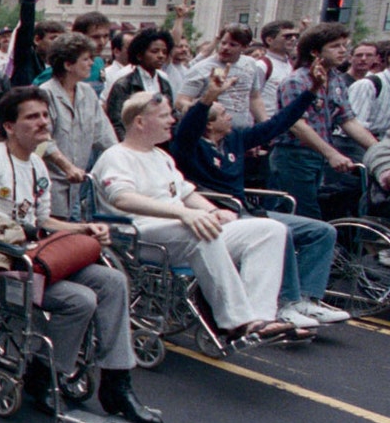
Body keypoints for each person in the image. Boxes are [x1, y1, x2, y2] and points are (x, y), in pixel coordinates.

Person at [0, 88, 161, 423]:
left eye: (45, 115)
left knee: (112, 280)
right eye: (32, 117)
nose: (43, 122)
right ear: (9, 126)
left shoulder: (37, 165)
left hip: (31, 256)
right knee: (79, 300)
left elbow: (41, 223)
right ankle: (44, 372)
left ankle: (117, 383)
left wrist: (83, 229)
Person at [94, 93, 291, 341]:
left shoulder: (162, 156)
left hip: (184, 230)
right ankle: (237, 322)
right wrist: (184, 214)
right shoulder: (116, 156)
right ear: (140, 122)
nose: (172, 120)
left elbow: (186, 193)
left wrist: (213, 211)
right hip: (140, 235)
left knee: (270, 230)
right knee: (200, 230)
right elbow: (121, 198)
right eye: (164, 116)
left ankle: (260, 317)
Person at [170, 59, 348, 331]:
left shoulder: (235, 139)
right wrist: (207, 99)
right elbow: (188, 129)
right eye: (223, 113)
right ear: (208, 125)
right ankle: (285, 304)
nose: (231, 115)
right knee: (279, 230)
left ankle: (306, 299)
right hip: (219, 214)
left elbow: (277, 124)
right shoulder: (188, 146)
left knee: (322, 232)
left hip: (248, 210)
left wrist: (311, 92)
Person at [268, 24, 389, 220]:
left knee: (321, 210)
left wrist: (380, 151)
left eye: (344, 45)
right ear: (315, 52)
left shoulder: (336, 79)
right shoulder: (296, 81)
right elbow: (297, 125)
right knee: (303, 216)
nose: (343, 51)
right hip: (294, 156)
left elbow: (347, 120)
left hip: (318, 157)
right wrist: (332, 154)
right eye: (335, 46)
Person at [38, 32, 116, 221]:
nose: (92, 63)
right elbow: (42, 140)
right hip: (48, 187)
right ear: (68, 64)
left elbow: (105, 137)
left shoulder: (88, 93)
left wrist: (124, 159)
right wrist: (66, 166)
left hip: (77, 189)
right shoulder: (44, 94)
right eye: (86, 59)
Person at [179, 25, 268, 129]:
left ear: (245, 47)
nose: (225, 48)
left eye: (232, 45)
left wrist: (265, 125)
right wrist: (200, 107)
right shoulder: (201, 68)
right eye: (223, 43)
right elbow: (181, 101)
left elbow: (254, 97)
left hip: (242, 132)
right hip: (212, 132)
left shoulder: (250, 64)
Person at [102, 28, 176, 139]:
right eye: (154, 51)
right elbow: (117, 123)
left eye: (164, 52)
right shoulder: (124, 84)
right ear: (139, 55)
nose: (161, 55)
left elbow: (170, 114)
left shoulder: (164, 82)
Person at [253, 20, 300, 113]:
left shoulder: (291, 65)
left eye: (296, 36)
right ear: (269, 40)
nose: (293, 39)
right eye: (288, 36)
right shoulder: (261, 66)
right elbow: (252, 98)